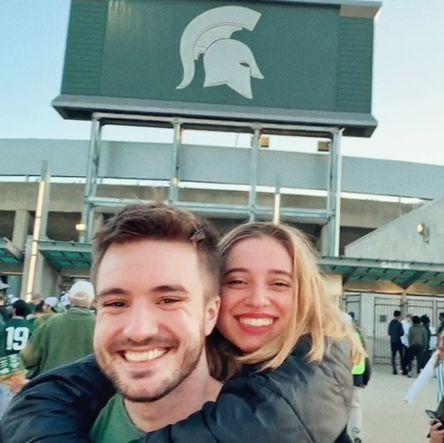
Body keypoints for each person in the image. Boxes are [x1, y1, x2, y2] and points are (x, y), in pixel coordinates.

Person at [2, 204, 356, 443]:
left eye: (169, 300)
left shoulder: (309, 388)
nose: (258, 299)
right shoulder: (67, 410)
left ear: (209, 311)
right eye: (116, 303)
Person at [20, 281, 96, 377]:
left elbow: (27, 358)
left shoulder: (52, 322)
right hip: (87, 384)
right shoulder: (100, 325)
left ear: (69, 299)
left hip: (51, 382)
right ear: (93, 301)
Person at [0, 300, 33, 417]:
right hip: (22, 365)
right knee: (18, 398)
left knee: (3, 400)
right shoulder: (31, 327)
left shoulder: (5, 326)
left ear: (14, 310)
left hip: (4, 364)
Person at [388, 310, 404, 374]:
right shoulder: (399, 324)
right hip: (398, 341)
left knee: (393, 355)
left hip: (392, 341)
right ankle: (402, 368)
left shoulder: (391, 323)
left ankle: (394, 369)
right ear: (399, 316)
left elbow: (389, 332)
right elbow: (402, 333)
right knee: (401, 355)